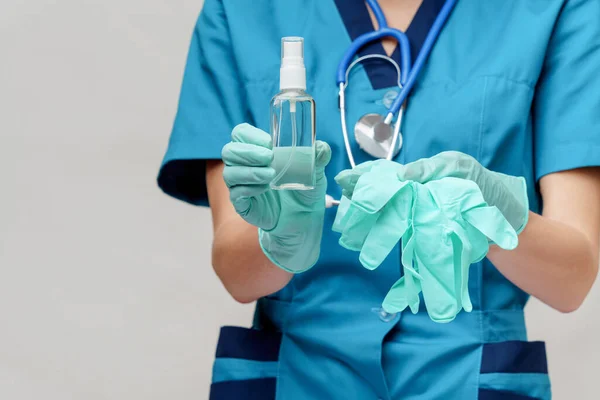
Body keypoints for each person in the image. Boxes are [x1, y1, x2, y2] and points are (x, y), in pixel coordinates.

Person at [157, 0, 600, 398]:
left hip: (467, 374)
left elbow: (571, 283)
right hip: (297, 375)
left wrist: (501, 216)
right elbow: (238, 277)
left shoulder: (556, 8)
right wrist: (284, 237)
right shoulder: (241, 11)